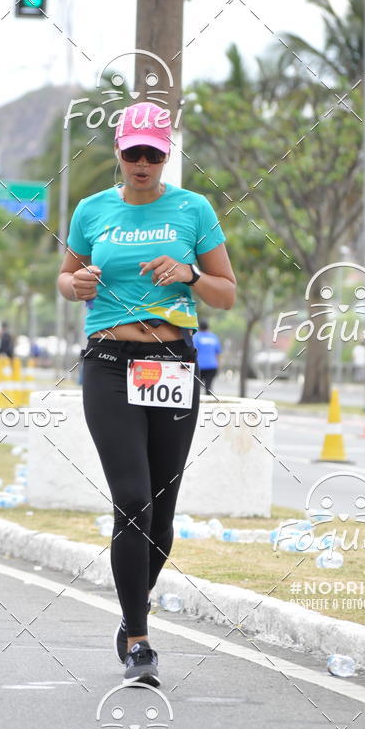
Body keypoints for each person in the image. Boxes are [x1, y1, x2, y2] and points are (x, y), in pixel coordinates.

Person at [58, 102, 236, 686]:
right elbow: (66, 278)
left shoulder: (193, 209)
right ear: (117, 150)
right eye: (132, 152)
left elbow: (226, 295)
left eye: (153, 153)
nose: (142, 162)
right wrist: (75, 281)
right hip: (110, 363)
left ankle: (137, 599)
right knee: (132, 498)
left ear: (166, 155)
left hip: (171, 364)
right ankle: (138, 637)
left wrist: (188, 274)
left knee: (160, 516)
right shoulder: (92, 210)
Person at [193, 319, 221, 395]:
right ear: (208, 327)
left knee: (196, 387)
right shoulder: (214, 337)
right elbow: (218, 353)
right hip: (212, 366)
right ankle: (210, 404)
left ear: (199, 327)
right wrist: (218, 364)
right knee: (208, 387)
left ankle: (197, 403)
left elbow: (193, 351)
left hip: (200, 366)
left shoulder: (196, 337)